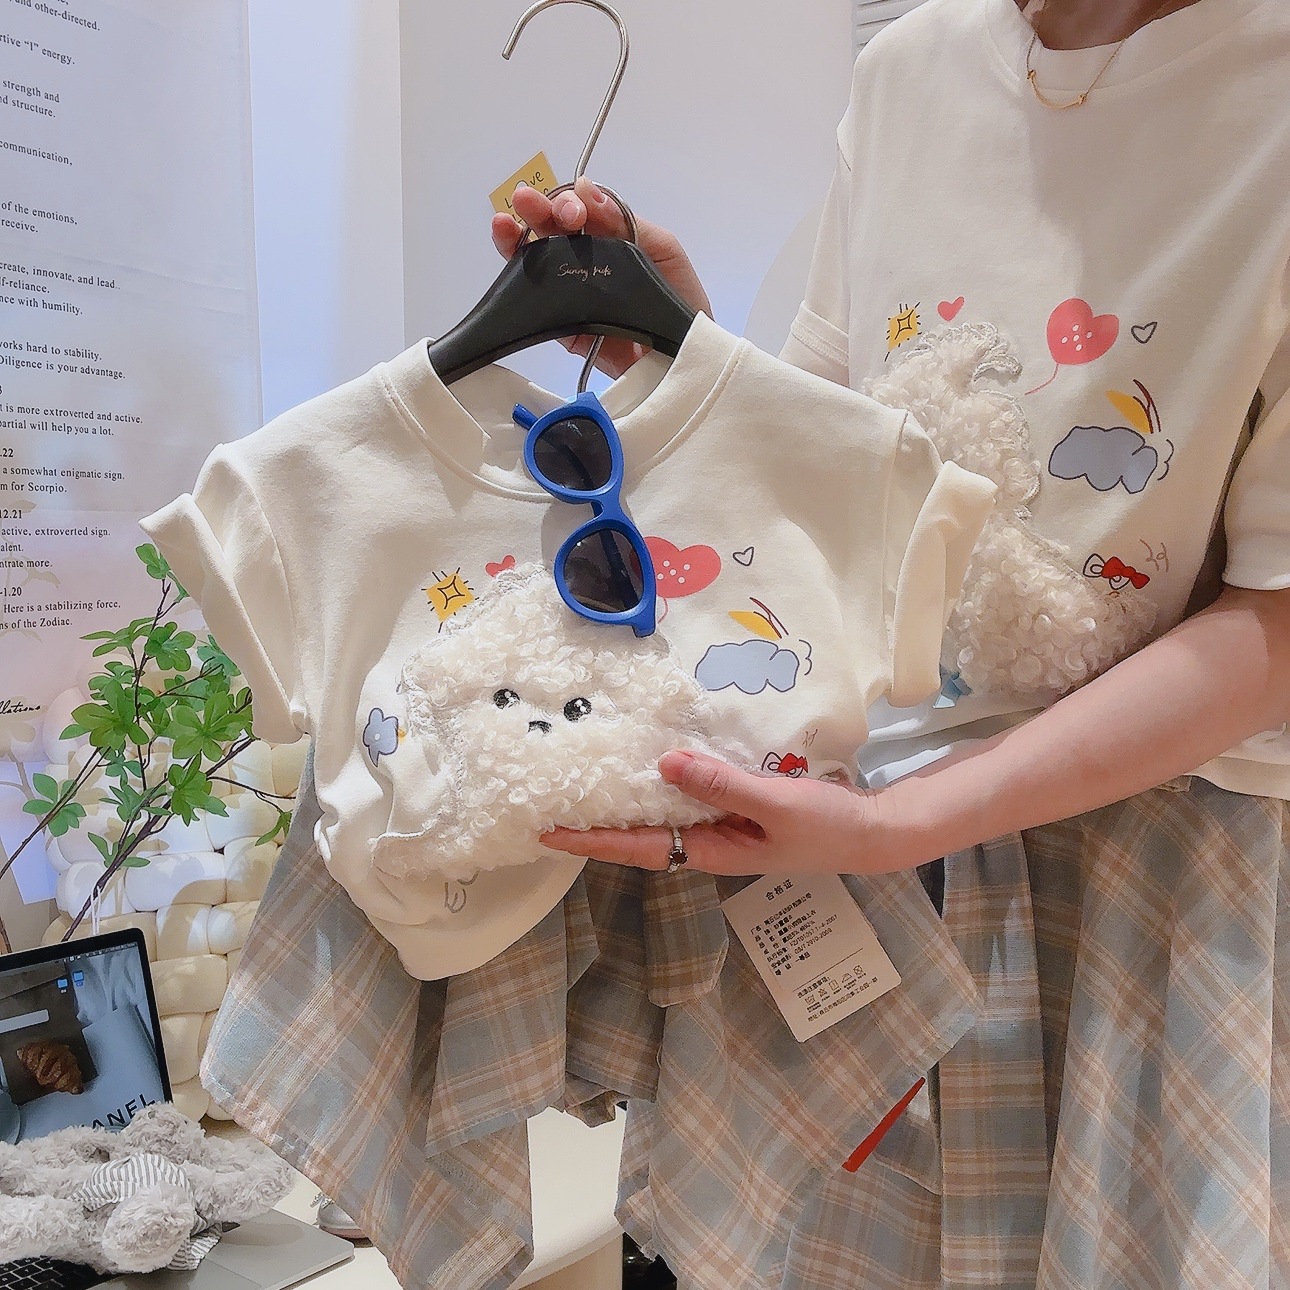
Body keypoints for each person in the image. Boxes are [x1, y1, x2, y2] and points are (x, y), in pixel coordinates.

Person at [493, 0, 1290, 1286]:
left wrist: (897, 827)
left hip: (1153, 886)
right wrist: (688, 356)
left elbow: (1278, 616)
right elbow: (833, 477)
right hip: (866, 840)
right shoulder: (911, 71)